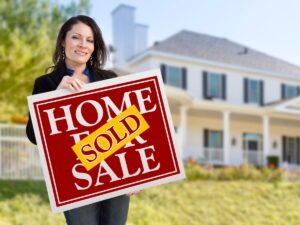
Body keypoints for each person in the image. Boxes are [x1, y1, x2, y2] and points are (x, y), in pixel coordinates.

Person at [26, 15, 130, 225]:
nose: (83, 45)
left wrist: (136, 176)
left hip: (115, 173)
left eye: (89, 40)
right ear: (63, 41)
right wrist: (55, 97)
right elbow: (34, 136)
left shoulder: (109, 79)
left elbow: (127, 128)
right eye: (76, 37)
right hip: (75, 178)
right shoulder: (46, 83)